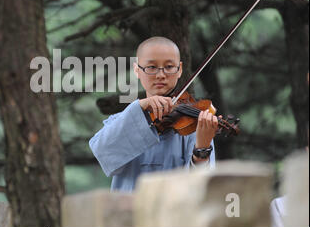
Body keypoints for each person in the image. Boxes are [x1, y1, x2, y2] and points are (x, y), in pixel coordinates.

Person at [89, 36, 219, 192]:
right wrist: (140, 106)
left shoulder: (194, 125)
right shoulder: (120, 120)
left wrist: (202, 149)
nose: (160, 75)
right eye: (151, 67)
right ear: (137, 70)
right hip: (129, 213)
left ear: (180, 69)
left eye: (169, 67)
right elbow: (101, 151)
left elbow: (201, 188)